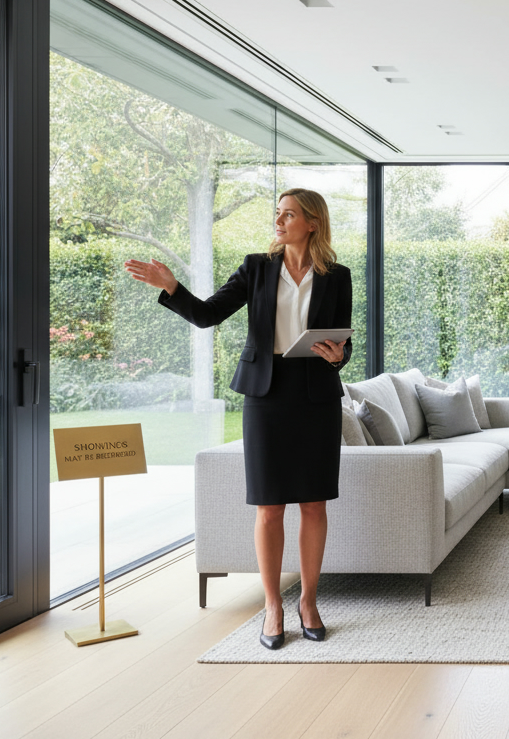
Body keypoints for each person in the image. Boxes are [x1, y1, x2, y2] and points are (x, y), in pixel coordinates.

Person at [124, 188, 352, 649]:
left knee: (313, 503)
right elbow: (208, 315)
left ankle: (308, 601)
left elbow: (342, 343)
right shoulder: (257, 268)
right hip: (266, 396)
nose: (279, 220)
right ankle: (273, 607)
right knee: (269, 506)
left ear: (312, 222)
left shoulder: (337, 276)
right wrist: (171, 286)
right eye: (277, 213)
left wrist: (337, 355)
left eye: (288, 214)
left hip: (315, 397)